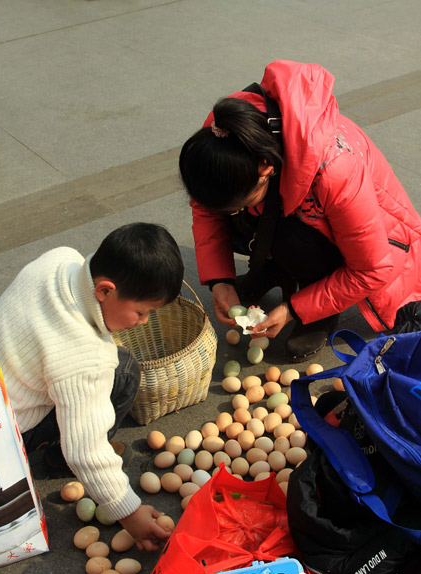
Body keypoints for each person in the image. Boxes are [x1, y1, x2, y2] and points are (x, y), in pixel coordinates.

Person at [179, 59, 421, 359]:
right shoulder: (224, 134)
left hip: (364, 244)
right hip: (287, 205)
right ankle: (273, 270)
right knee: (240, 218)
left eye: (241, 201)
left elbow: (371, 269)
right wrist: (220, 280)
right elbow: (206, 208)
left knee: (294, 239)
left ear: (265, 168)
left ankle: (314, 298)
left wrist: (294, 308)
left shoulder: (335, 168)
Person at [0, 222, 184, 551]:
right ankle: (55, 459)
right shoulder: (85, 358)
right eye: (141, 312)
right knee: (123, 372)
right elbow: (86, 450)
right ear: (104, 291)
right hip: (1, 435)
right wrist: (130, 512)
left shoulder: (59, 260)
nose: (144, 322)